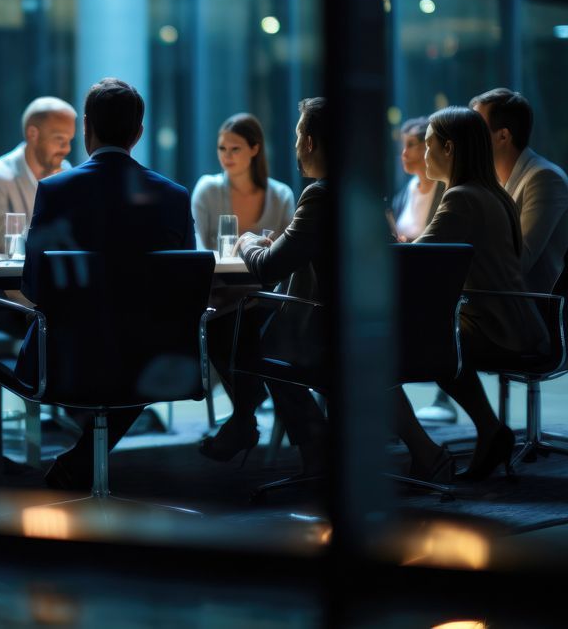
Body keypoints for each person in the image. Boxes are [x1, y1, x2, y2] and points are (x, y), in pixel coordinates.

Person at [17, 78, 194, 490]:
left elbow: (33, 286)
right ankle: (82, 462)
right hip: (149, 358)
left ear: (85, 128)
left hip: (65, 357)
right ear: (139, 133)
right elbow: (184, 292)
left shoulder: (56, 191)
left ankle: (79, 461)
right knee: (145, 345)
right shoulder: (174, 196)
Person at [398, 106, 549, 484]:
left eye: (429, 145)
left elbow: (417, 260)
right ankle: (488, 428)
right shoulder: (493, 194)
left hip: (497, 326)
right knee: (429, 338)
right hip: (518, 321)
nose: (425, 153)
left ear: (449, 149)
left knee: (397, 345)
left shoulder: (461, 198)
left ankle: (425, 448)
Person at [202, 98, 332, 473]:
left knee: (231, 329)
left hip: (318, 329)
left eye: (297, 135)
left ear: (309, 142)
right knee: (242, 328)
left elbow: (269, 266)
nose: (294, 145)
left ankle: (264, 424)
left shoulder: (319, 195)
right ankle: (260, 423)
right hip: (356, 324)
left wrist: (247, 242)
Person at [470, 88, 568, 293]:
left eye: (477, 129)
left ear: (503, 136)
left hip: (537, 307)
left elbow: (518, 262)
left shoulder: (545, 178)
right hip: (510, 301)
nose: (470, 137)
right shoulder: (496, 182)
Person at [392, 117, 456, 425]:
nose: (403, 154)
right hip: (405, 273)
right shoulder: (406, 191)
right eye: (401, 147)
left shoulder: (449, 194)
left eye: (412, 145)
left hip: (429, 279)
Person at [0, 96, 77, 253]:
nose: (67, 149)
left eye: (70, 140)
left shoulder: (66, 171)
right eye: (59, 139)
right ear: (32, 134)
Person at [191, 112, 295, 251]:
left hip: (267, 274)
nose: (227, 156)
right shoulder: (207, 190)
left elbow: (289, 253)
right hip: (215, 273)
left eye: (235, 149)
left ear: (254, 149)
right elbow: (197, 248)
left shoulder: (282, 196)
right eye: (222, 148)